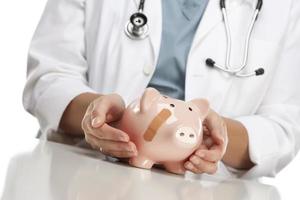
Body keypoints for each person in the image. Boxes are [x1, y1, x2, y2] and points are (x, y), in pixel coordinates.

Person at [23, 0, 300, 178]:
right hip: (84, 172)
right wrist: (102, 116)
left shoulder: (285, 8)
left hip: (203, 187)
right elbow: (48, 77)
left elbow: (284, 127)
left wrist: (211, 138)